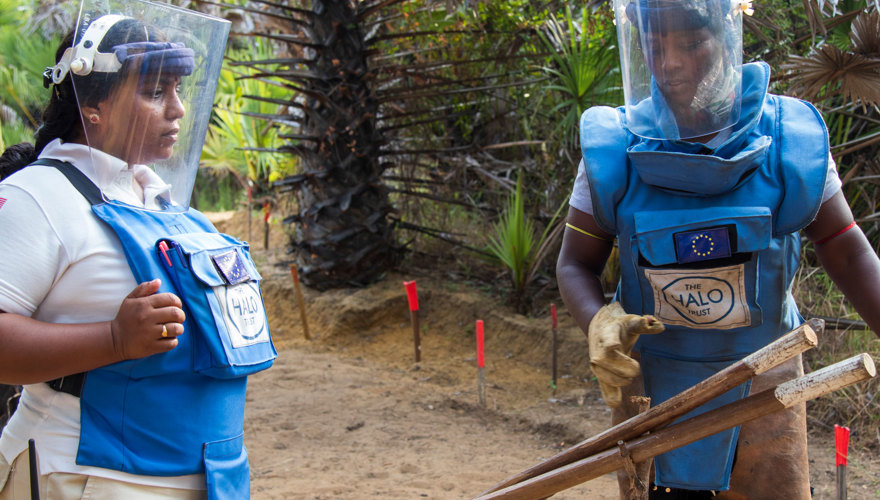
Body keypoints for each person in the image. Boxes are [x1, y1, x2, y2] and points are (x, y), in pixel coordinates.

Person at [556, 0, 880, 498]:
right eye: (655, 45)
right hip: (654, 394)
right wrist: (597, 322)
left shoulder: (787, 142)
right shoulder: (614, 150)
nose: (670, 63)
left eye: (690, 43)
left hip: (764, 387)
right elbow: (576, 264)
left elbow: (847, 252)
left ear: (730, 36)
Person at [0, 3, 275, 499]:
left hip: (212, 477)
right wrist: (112, 339)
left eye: (178, 90)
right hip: (91, 475)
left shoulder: (168, 206)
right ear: (92, 105)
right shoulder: (37, 197)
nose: (178, 109)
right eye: (154, 92)